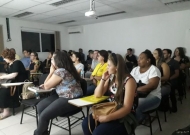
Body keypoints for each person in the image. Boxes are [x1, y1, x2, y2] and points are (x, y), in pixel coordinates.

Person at [82, 53, 137, 135]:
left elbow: (126, 108)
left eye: (109, 65)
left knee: (99, 133)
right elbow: (97, 94)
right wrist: (103, 79)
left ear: (117, 67)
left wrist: (107, 118)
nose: (107, 67)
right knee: (86, 123)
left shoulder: (129, 81)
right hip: (110, 109)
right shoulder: (111, 77)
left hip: (124, 115)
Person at [34, 51, 83, 135]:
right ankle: (44, 132)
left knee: (44, 116)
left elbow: (46, 86)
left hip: (71, 98)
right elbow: (48, 85)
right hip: (63, 95)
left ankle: (38, 133)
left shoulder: (60, 71)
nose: (51, 60)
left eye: (53, 58)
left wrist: (51, 72)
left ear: (58, 60)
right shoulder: (68, 68)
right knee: (40, 106)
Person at [130, 50, 161, 122]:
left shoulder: (154, 70)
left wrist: (134, 90)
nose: (138, 60)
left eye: (141, 58)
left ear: (148, 60)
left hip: (153, 96)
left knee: (135, 105)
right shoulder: (135, 69)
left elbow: (152, 85)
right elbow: (129, 81)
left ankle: (135, 122)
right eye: (138, 58)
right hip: (137, 95)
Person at [0, 49, 27, 120]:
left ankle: (6, 111)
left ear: (9, 57)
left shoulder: (17, 63)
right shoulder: (10, 64)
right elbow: (8, 74)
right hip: (13, 84)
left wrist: (2, 77)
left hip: (19, 85)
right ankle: (1, 108)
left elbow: (14, 75)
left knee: (3, 91)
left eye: (4, 57)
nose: (3, 59)